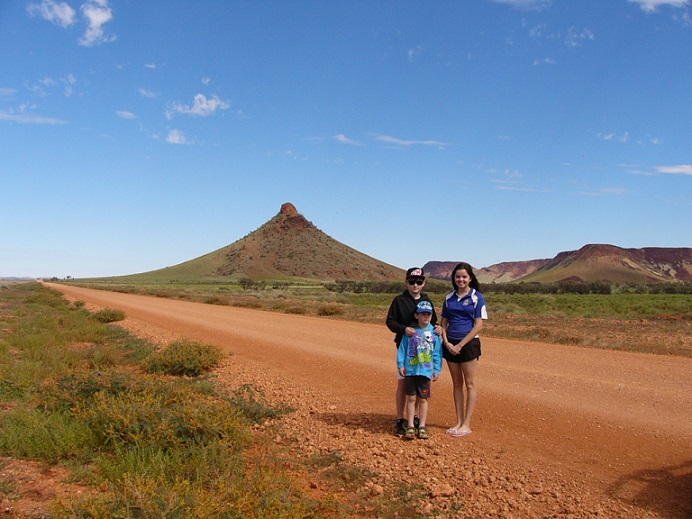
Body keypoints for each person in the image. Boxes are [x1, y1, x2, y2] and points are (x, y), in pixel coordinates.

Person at [386, 267, 439, 436]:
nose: (415, 284)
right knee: (403, 385)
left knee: (418, 386)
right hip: (405, 348)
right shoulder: (399, 301)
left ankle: (415, 418)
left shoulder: (427, 301)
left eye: (419, 281)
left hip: (424, 351)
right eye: (412, 281)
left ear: (423, 283)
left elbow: (434, 323)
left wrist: (438, 329)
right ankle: (400, 419)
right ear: (406, 282)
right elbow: (390, 321)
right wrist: (403, 329)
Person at [440, 262, 488, 438]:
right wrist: (446, 342)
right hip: (451, 343)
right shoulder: (449, 298)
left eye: (464, 277)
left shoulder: (477, 297)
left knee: (469, 383)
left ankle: (467, 423)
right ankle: (459, 421)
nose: (461, 279)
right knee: (457, 384)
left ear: (470, 278)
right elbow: (443, 322)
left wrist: (461, 345)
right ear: (454, 278)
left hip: (468, 344)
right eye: (458, 277)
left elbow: (479, 325)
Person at [397, 300, 443, 440]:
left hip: (426, 371)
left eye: (428, 314)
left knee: (423, 399)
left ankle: (422, 426)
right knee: (410, 398)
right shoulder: (410, 332)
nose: (425, 317)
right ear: (417, 315)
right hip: (411, 370)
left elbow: (437, 353)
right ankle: (410, 425)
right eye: (422, 314)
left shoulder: (434, 334)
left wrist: (437, 370)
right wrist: (401, 365)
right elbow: (402, 349)